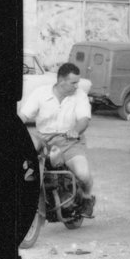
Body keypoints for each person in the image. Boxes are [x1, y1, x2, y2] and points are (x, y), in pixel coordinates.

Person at [19, 62, 97, 218]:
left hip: (70, 142)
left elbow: (84, 119)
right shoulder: (40, 93)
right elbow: (23, 116)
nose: (77, 86)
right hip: (44, 139)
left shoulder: (79, 95)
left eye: (78, 82)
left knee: (83, 174)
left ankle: (87, 198)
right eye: (73, 82)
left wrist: (75, 130)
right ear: (61, 81)